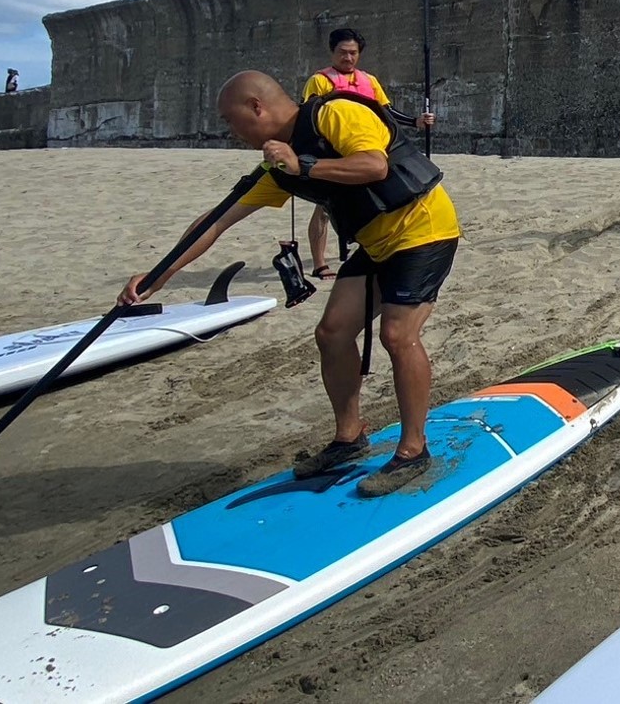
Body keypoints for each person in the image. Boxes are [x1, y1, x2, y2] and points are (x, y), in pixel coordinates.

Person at [119, 71, 461, 498]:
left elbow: (375, 165)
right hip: (378, 244)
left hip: (424, 230)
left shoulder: (335, 113)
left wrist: (307, 164)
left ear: (256, 107)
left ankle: (413, 450)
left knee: (397, 335)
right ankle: (350, 437)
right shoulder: (277, 167)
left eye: (232, 120)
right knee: (332, 332)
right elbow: (217, 220)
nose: (231, 131)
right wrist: (159, 275)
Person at [301, 27, 435, 278]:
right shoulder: (319, 81)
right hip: (334, 151)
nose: (348, 58)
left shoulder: (369, 81)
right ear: (333, 52)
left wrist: (416, 121)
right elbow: (309, 118)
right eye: (343, 52)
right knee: (325, 208)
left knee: (371, 204)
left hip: (367, 150)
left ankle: (372, 254)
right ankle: (320, 263)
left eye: (353, 53)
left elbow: (387, 113)